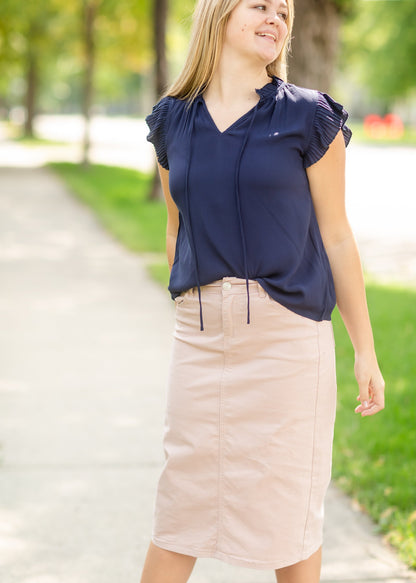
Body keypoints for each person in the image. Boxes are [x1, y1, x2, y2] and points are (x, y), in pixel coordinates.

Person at [141, 0, 385, 581]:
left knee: (287, 520)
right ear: (218, 15)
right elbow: (176, 230)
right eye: (260, 5)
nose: (276, 16)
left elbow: (337, 236)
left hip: (286, 342)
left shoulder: (309, 117)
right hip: (200, 342)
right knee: (181, 510)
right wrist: (195, 309)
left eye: (284, 10)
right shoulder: (172, 121)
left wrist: (365, 351)